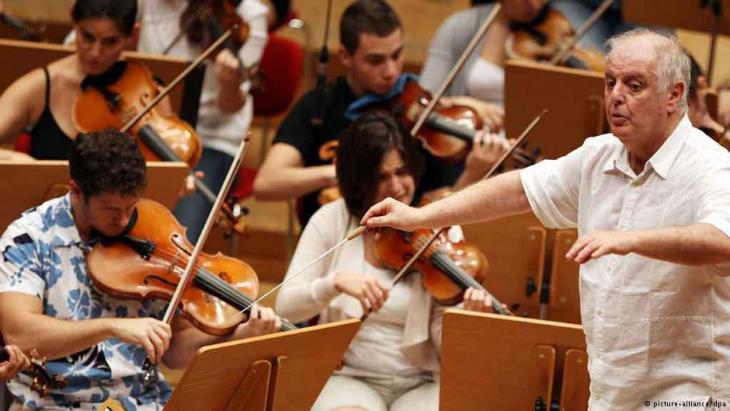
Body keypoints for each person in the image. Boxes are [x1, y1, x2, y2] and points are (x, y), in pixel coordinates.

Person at [362, 29, 730, 408]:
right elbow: (518, 190)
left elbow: (723, 240)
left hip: (690, 391)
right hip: (613, 389)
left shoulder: (712, 167)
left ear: (674, 94)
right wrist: (420, 215)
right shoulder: (597, 157)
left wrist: (632, 239)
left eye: (634, 85)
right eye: (610, 83)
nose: (616, 96)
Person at [0, 130, 282, 410]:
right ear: (76, 191)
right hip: (57, 402)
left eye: (131, 206)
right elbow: (21, 335)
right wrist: (111, 327)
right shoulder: (29, 238)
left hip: (144, 401)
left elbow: (175, 353)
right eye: (110, 209)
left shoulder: (151, 231)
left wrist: (240, 335)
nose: (124, 221)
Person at [275, 111, 496, 411]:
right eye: (381, 177)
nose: (396, 187)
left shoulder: (441, 229)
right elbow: (286, 306)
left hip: (424, 382)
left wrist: (465, 320)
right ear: (358, 180)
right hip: (349, 378)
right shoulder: (332, 219)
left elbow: (446, 351)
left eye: (402, 172)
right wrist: (334, 284)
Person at [254, 0, 510, 227]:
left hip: (406, 245)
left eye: (397, 55)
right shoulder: (318, 106)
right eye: (376, 60)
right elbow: (267, 183)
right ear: (345, 55)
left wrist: (475, 171)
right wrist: (342, 173)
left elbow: (447, 200)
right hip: (334, 241)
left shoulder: (420, 112)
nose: (391, 71)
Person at [137, 0, 269, 242]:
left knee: (175, 238)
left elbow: (231, 106)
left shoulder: (249, 15)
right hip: (148, 126)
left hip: (211, 138)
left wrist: (229, 83)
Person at [0, 0, 178, 159]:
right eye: (87, 37)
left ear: (132, 36)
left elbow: (164, 174)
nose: (95, 53)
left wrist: (175, 179)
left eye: (110, 42)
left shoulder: (150, 93)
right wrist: (13, 159)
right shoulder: (39, 86)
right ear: (74, 25)